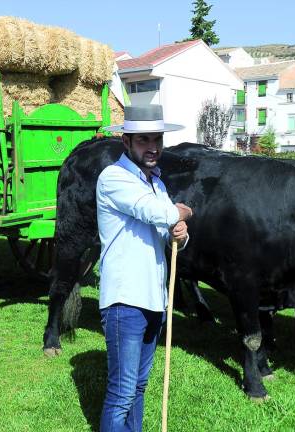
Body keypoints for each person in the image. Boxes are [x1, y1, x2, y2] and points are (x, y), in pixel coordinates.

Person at [97, 104, 193, 431]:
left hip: (154, 299)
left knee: (139, 387)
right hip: (125, 301)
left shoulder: (157, 184)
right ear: (126, 142)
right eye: (143, 140)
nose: (153, 147)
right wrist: (181, 213)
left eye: (157, 139)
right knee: (122, 392)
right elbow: (159, 213)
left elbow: (169, 233)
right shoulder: (113, 178)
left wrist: (180, 234)